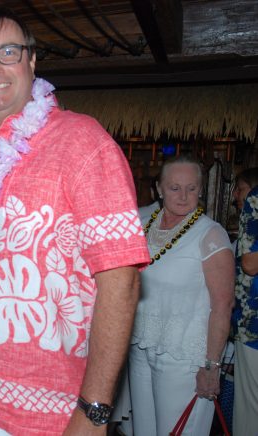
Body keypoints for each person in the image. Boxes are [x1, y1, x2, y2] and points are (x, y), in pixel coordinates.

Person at [0, 7, 150, 435]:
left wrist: (95, 409)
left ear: (32, 60)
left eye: (8, 51)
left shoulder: (83, 141)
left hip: (40, 404)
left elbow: (122, 282)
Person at [129, 155, 235, 436]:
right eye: (174, 188)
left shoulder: (210, 235)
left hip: (184, 355)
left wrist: (211, 366)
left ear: (201, 190)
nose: (183, 196)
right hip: (141, 346)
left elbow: (223, 306)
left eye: (191, 188)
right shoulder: (143, 221)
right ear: (159, 188)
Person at [231, 167, 258, 436]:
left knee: (250, 411)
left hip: (253, 326)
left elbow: (250, 264)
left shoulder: (256, 199)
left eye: (240, 189)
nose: (235, 196)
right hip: (252, 323)